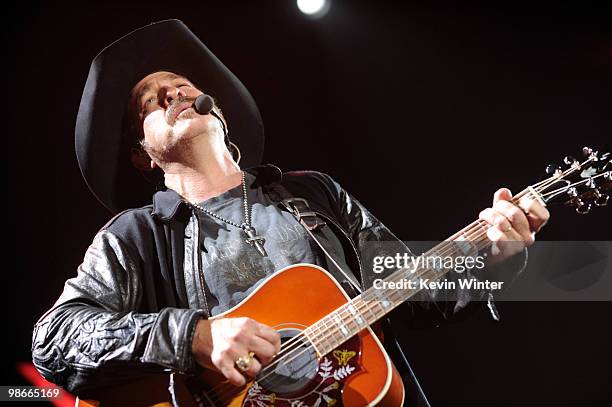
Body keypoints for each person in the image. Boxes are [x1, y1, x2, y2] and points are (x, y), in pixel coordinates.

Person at [32, 20, 549, 405]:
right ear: (143, 156)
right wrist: (195, 336)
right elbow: (55, 336)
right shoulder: (139, 235)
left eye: (180, 84)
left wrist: (493, 258)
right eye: (149, 103)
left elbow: (414, 296)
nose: (173, 93)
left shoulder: (314, 195)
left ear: (218, 113)